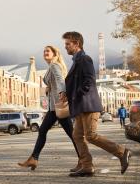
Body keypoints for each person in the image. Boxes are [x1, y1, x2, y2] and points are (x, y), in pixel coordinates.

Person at [63, 32, 131, 177]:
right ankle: (87, 165)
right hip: (81, 106)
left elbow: (89, 81)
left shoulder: (85, 59)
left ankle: (122, 152)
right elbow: (76, 83)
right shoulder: (76, 61)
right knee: (77, 135)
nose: (65, 47)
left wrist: (75, 94)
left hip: (88, 106)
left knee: (91, 136)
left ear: (77, 44)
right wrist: (67, 95)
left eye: (68, 44)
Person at [18, 45, 79, 170]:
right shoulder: (52, 66)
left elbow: (60, 80)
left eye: (48, 51)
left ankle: (84, 159)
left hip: (57, 106)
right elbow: (55, 81)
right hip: (54, 107)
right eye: (44, 51)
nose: (45, 52)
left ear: (54, 53)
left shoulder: (54, 65)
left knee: (70, 134)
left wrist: (62, 93)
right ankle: (34, 158)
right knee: (47, 131)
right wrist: (49, 87)